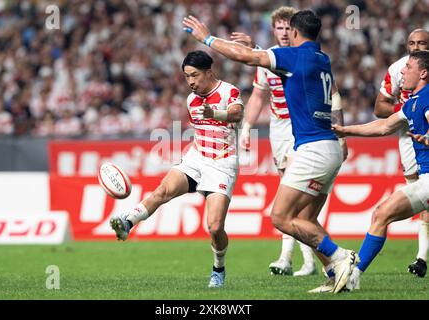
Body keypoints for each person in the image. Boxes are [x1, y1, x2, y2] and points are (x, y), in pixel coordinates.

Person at [183, 10, 358, 293]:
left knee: (280, 217)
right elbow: (261, 58)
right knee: (306, 219)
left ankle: (341, 257)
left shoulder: (294, 55)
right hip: (330, 147)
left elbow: (246, 58)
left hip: (312, 149)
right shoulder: (322, 59)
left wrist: (208, 38)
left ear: (297, 33)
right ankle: (336, 274)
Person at [109, 50, 244, 288]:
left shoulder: (227, 90)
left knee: (214, 226)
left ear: (208, 72)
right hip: (197, 156)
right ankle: (128, 223)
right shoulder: (192, 100)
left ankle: (218, 270)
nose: (190, 81)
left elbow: (237, 113)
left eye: (194, 75)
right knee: (163, 190)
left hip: (222, 163)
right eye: (186, 77)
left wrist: (216, 113)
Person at [332, 50, 429, 290]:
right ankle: (353, 277)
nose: (403, 72)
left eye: (408, 67)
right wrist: (347, 131)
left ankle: (352, 277)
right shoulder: (413, 102)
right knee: (380, 215)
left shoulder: (427, 99)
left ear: (423, 73)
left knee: (382, 214)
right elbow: (384, 126)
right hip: (425, 179)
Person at [231, 6, 317, 277]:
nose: (282, 33)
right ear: (274, 30)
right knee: (286, 188)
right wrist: (246, 128)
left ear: (294, 30)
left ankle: (293, 258)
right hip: (278, 126)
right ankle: (299, 259)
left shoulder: (299, 56)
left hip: (301, 125)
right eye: (278, 28)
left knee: (293, 189)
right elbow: (258, 95)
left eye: (286, 28)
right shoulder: (268, 57)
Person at [374, 29, 429, 278]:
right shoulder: (399, 69)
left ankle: (421, 257)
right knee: (422, 197)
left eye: (422, 43)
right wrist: (407, 110)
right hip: (410, 137)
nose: (416, 47)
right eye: (412, 43)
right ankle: (422, 258)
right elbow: (379, 107)